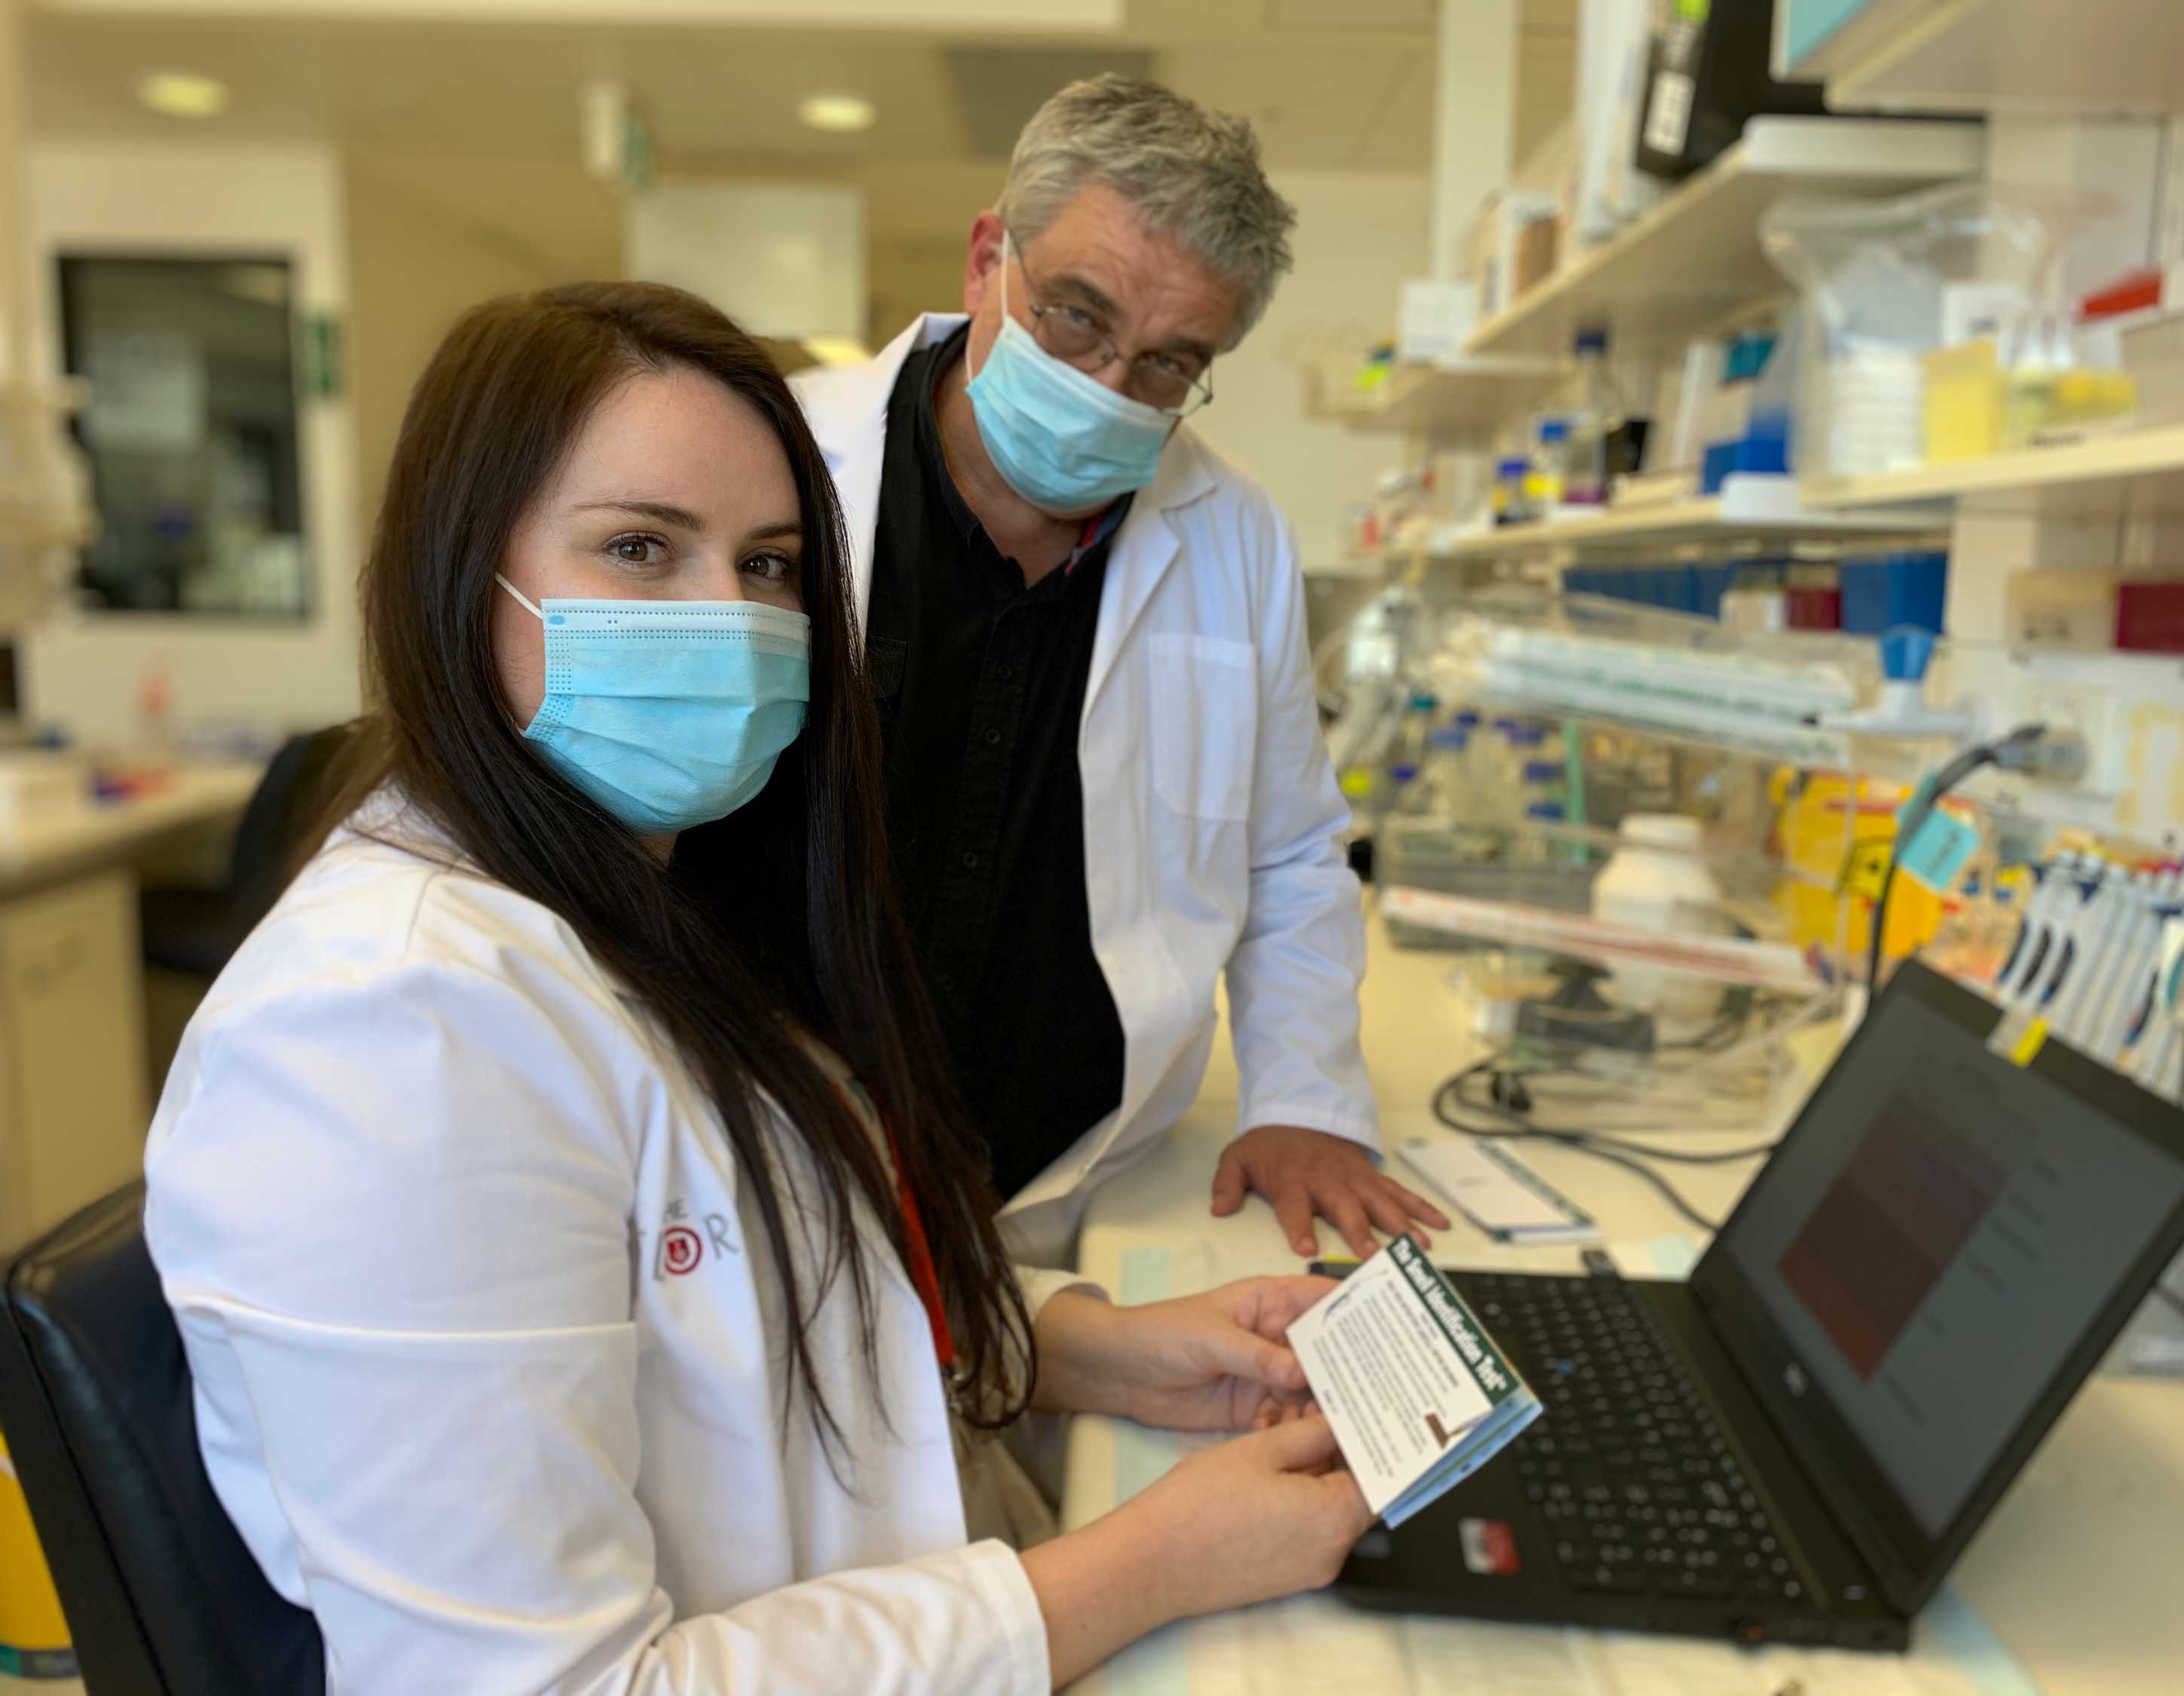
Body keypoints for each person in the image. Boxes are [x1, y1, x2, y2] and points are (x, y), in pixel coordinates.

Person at [142, 282, 1372, 1694]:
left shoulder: (648, 892)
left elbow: (752, 1300)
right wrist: (1159, 1555)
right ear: (459, 568)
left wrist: (1094, 1351)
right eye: (640, 548)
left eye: (771, 565)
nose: (724, 619)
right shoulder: (385, 1031)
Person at [678, 75, 1449, 1267]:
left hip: (1069, 1191)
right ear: (989, 259)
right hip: (761, 1165)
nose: (1106, 387)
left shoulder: (1232, 532)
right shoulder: (779, 463)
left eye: (1164, 364)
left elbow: (1291, 851)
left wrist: (1306, 1099)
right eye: (1076, 318)